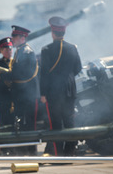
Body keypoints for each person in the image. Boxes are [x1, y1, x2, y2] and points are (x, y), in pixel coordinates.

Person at [40, 16, 82, 156]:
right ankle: (70, 153)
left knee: (55, 124)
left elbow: (44, 74)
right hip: (70, 89)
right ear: (63, 32)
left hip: (54, 91)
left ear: (53, 32)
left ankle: (58, 154)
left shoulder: (46, 50)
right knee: (69, 122)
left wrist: (43, 93)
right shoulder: (73, 48)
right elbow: (78, 68)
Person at [0, 26, 39, 155]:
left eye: (14, 37)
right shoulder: (20, 51)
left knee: (29, 124)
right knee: (22, 124)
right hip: (21, 93)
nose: (12, 39)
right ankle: (25, 149)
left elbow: (20, 74)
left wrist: (3, 75)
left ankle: (31, 150)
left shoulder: (26, 52)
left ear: (22, 37)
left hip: (26, 94)